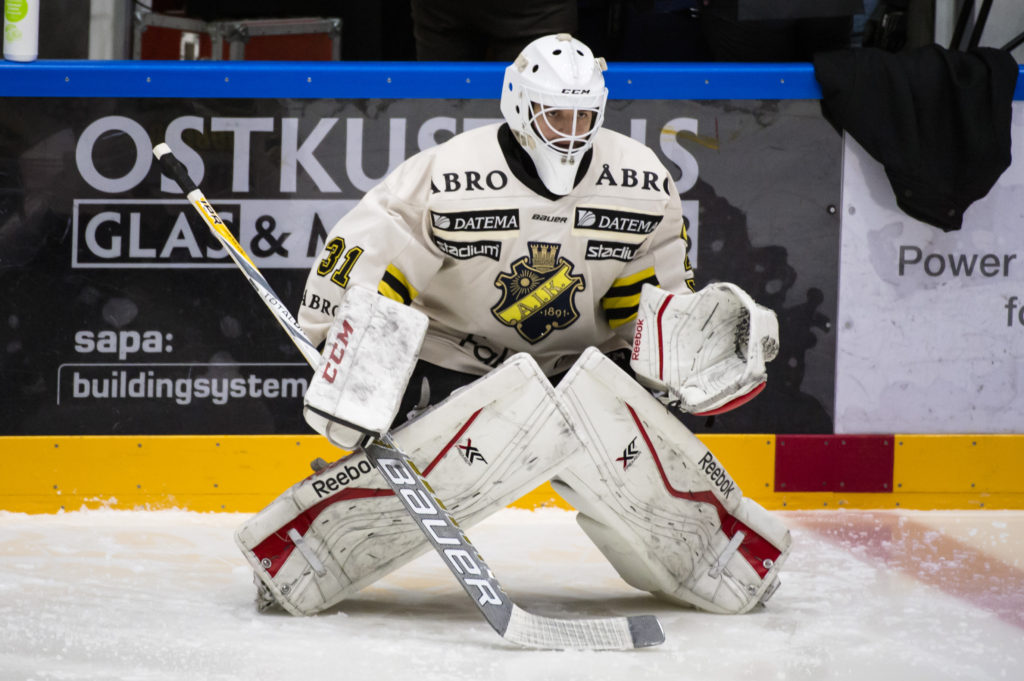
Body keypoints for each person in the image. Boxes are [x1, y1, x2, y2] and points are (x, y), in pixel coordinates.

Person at [235, 33, 791, 620]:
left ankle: (721, 563)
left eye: (585, 115)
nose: (572, 130)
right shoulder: (447, 176)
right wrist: (344, 351)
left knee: (634, 453)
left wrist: (696, 350)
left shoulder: (642, 182)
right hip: (456, 370)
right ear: (521, 108)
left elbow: (652, 313)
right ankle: (299, 559)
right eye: (557, 114)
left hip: (578, 376)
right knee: (447, 457)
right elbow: (358, 265)